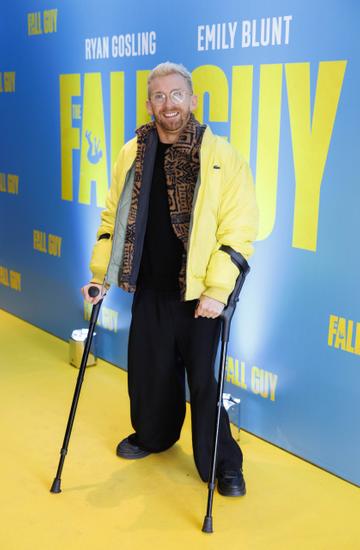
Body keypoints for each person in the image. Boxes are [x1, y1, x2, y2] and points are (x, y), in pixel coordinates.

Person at [82, 62, 258, 496]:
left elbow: (238, 228)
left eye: (177, 95)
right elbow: (113, 219)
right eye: (159, 96)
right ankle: (154, 436)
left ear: (193, 100)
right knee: (150, 374)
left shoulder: (220, 156)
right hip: (150, 287)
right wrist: (100, 275)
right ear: (149, 104)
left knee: (204, 383)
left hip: (199, 295)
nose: (169, 105)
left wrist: (218, 291)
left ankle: (224, 462)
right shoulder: (133, 153)